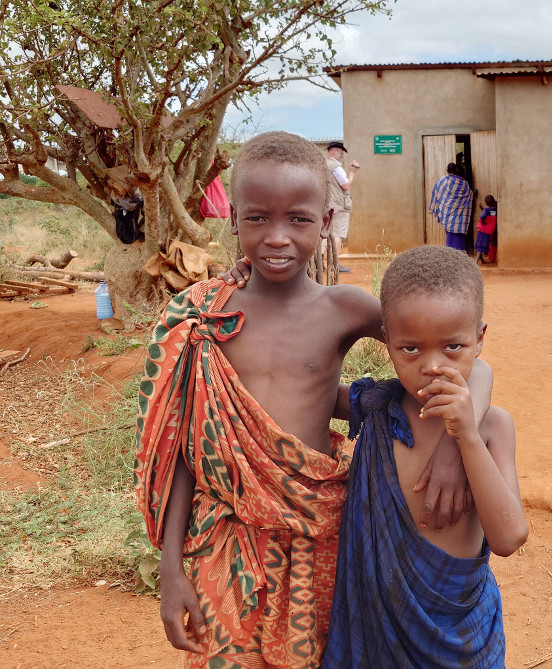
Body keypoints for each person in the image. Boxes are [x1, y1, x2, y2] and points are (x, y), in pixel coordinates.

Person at [135, 131, 492, 669]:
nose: (277, 237)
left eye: (298, 219)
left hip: (321, 534)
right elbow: (189, 446)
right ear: (233, 218)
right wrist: (169, 567)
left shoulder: (343, 308)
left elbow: (473, 366)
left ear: (325, 222)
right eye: (258, 218)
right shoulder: (205, 319)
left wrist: (451, 441)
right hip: (226, 536)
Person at [322, 245, 528, 668]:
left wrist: (465, 437)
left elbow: (509, 538)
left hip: (462, 641)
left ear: (480, 339)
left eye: (453, 346)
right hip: (377, 638)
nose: (432, 366)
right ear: (387, 342)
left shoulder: (492, 428)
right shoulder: (378, 409)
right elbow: (304, 390)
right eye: (410, 349)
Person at [325, 140, 358, 274]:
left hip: (327, 204)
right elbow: (345, 185)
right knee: (338, 233)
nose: (342, 156)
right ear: (334, 151)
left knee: (326, 232)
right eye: (341, 152)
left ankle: (320, 261)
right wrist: (352, 172)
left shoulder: (323, 165)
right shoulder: (335, 167)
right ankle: (334, 264)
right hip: (339, 204)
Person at [429, 162, 475, 252]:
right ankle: (459, 255)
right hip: (459, 216)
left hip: (447, 216)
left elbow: (436, 194)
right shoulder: (463, 183)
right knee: (458, 234)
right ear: (456, 170)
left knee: (450, 233)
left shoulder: (441, 181)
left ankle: (451, 255)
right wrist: (473, 193)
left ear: (447, 170)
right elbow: (469, 194)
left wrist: (443, 207)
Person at [474, 194, 497, 264]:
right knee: (483, 245)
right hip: (488, 231)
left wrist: (483, 221)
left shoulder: (486, 210)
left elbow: (483, 216)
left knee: (480, 245)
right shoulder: (495, 209)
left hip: (482, 230)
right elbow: (490, 213)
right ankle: (482, 260)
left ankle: (475, 261)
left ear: (486, 203)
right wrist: (483, 209)